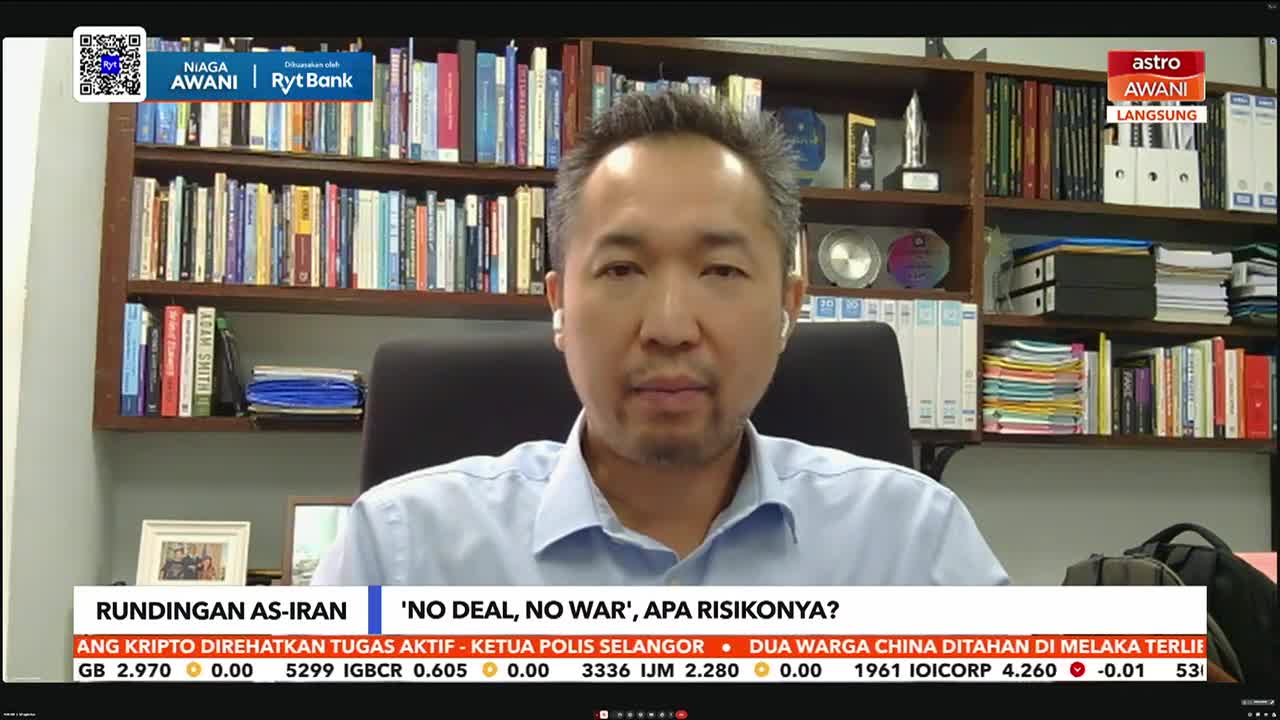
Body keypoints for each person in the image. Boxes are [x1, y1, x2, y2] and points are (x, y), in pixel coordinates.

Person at [312, 90, 1009, 587]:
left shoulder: (913, 543)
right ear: (559, 307)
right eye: (621, 269)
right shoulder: (399, 552)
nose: (670, 328)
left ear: (787, 308)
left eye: (721, 270)